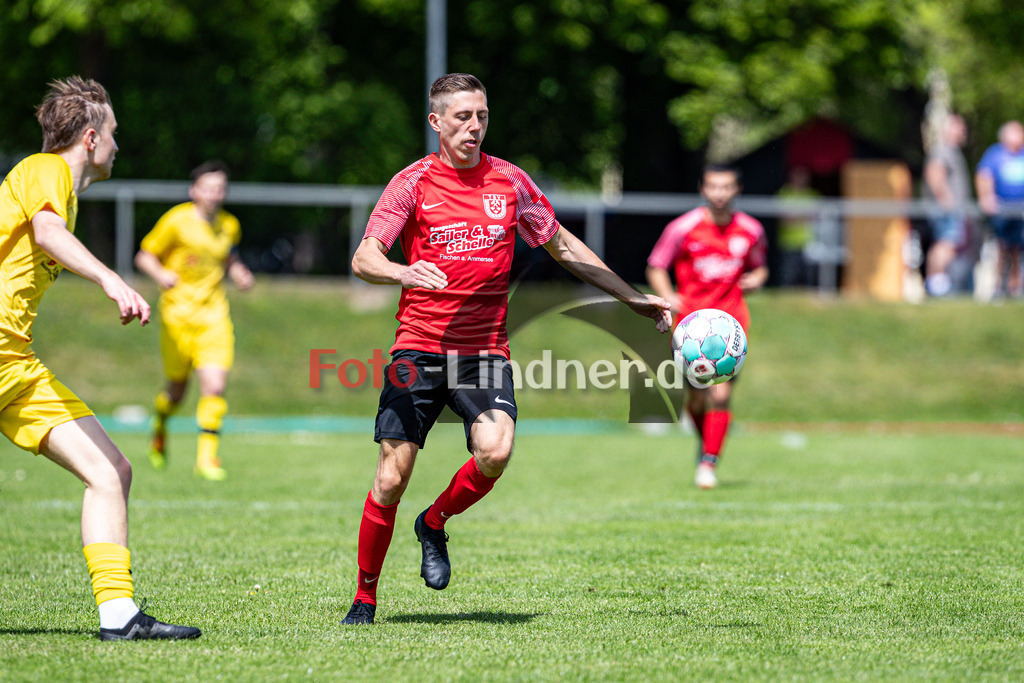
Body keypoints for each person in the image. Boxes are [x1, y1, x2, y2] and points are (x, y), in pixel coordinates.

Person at [341, 73, 671, 625]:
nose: (474, 127)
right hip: (418, 349)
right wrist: (403, 270)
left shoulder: (509, 182)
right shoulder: (411, 184)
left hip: (483, 353)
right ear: (436, 122)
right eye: (463, 117)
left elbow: (562, 244)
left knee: (495, 450)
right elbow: (364, 257)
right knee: (391, 478)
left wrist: (630, 297)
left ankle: (435, 522)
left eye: (482, 116)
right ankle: (365, 599)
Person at [0, 76, 200, 640]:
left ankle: (119, 616)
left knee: (110, 471)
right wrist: (112, 279)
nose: (118, 143)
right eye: (114, 132)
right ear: (90, 138)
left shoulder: (57, 183)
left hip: (14, 364)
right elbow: (45, 231)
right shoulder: (46, 171)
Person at [645, 165, 768, 490]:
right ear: (703, 189)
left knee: (721, 392)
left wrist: (757, 279)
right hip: (692, 329)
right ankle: (707, 442)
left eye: (726, 186)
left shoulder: (751, 230)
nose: (719, 193)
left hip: (731, 326)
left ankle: (707, 463)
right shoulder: (682, 228)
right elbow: (656, 265)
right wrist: (669, 295)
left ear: (737, 190)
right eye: (713, 186)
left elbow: (759, 267)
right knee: (697, 400)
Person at [135, 161, 254, 481]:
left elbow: (228, 256)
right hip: (177, 316)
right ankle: (160, 422)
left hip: (214, 315)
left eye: (220, 188)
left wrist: (238, 271)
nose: (215, 194)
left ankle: (206, 459)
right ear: (194, 191)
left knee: (214, 386)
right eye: (208, 188)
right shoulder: (176, 220)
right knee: (176, 391)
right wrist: (161, 273)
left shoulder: (229, 225)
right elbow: (144, 255)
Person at [923, 114, 974, 297]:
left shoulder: (952, 151)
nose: (963, 131)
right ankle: (936, 286)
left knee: (947, 244)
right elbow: (934, 172)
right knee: (946, 245)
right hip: (947, 209)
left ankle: (938, 284)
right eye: (958, 127)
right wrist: (945, 199)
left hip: (952, 209)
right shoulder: (943, 150)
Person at [975, 120, 1024, 298]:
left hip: (1020, 212)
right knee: (1001, 247)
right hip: (1001, 211)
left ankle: (1015, 286)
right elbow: (984, 176)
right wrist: (986, 197)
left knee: (1017, 249)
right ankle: (997, 287)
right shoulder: (995, 154)